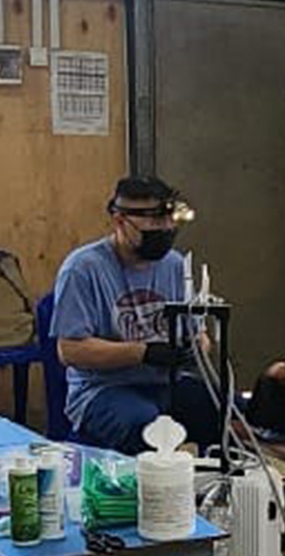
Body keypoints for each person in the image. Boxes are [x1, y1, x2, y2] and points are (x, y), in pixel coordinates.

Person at [52, 176, 225, 453]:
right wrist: (142, 353)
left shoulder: (176, 266)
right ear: (120, 221)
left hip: (168, 383)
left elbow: (199, 334)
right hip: (103, 390)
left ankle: (218, 486)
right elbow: (71, 350)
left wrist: (196, 349)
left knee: (225, 410)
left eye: (169, 221)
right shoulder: (83, 269)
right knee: (147, 427)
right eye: (155, 222)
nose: (165, 229)